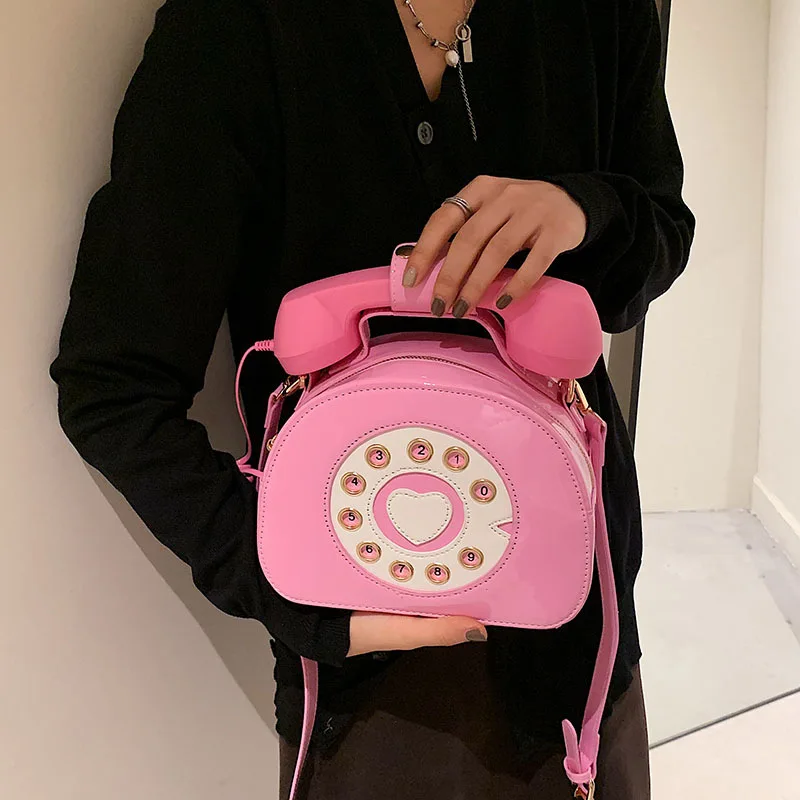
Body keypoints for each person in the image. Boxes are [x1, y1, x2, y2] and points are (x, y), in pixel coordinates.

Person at [49, 0, 695, 797]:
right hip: (367, 680)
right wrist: (286, 587)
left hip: (579, 619)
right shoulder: (233, 28)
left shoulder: (603, 14)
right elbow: (111, 387)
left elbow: (662, 231)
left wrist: (586, 210)